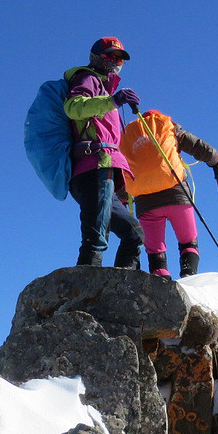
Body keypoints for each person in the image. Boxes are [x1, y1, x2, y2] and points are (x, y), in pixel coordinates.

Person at [63, 37, 143, 267]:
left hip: (105, 168)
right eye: (110, 56)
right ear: (97, 57)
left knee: (134, 234)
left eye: (120, 58)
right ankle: (87, 290)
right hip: (93, 165)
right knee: (96, 236)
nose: (116, 62)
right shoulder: (88, 78)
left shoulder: (105, 89)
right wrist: (113, 100)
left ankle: (121, 289)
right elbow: (73, 107)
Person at [118, 111, 218, 277]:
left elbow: (125, 169)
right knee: (188, 241)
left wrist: (122, 197)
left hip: (145, 203)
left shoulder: (127, 136)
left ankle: (161, 281)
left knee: (155, 251)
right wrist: (214, 159)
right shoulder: (167, 126)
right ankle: (189, 275)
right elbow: (195, 145)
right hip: (177, 195)